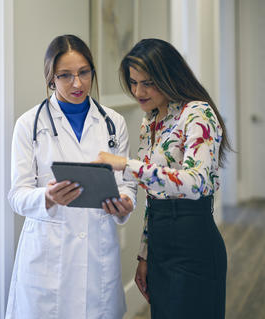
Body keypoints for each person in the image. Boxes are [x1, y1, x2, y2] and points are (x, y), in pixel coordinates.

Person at [94, 38, 230, 319]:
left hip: (194, 241)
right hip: (160, 240)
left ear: (168, 77)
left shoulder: (198, 113)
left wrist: (125, 165)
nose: (138, 91)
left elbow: (196, 182)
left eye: (147, 83)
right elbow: (154, 196)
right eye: (133, 82)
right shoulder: (151, 120)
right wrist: (144, 254)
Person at [5, 34, 137, 319]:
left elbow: (126, 184)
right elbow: (16, 195)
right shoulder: (29, 125)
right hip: (48, 256)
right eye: (65, 76)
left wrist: (125, 202)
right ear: (51, 78)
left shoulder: (114, 123)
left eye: (84, 73)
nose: (77, 83)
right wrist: (47, 197)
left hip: (97, 252)